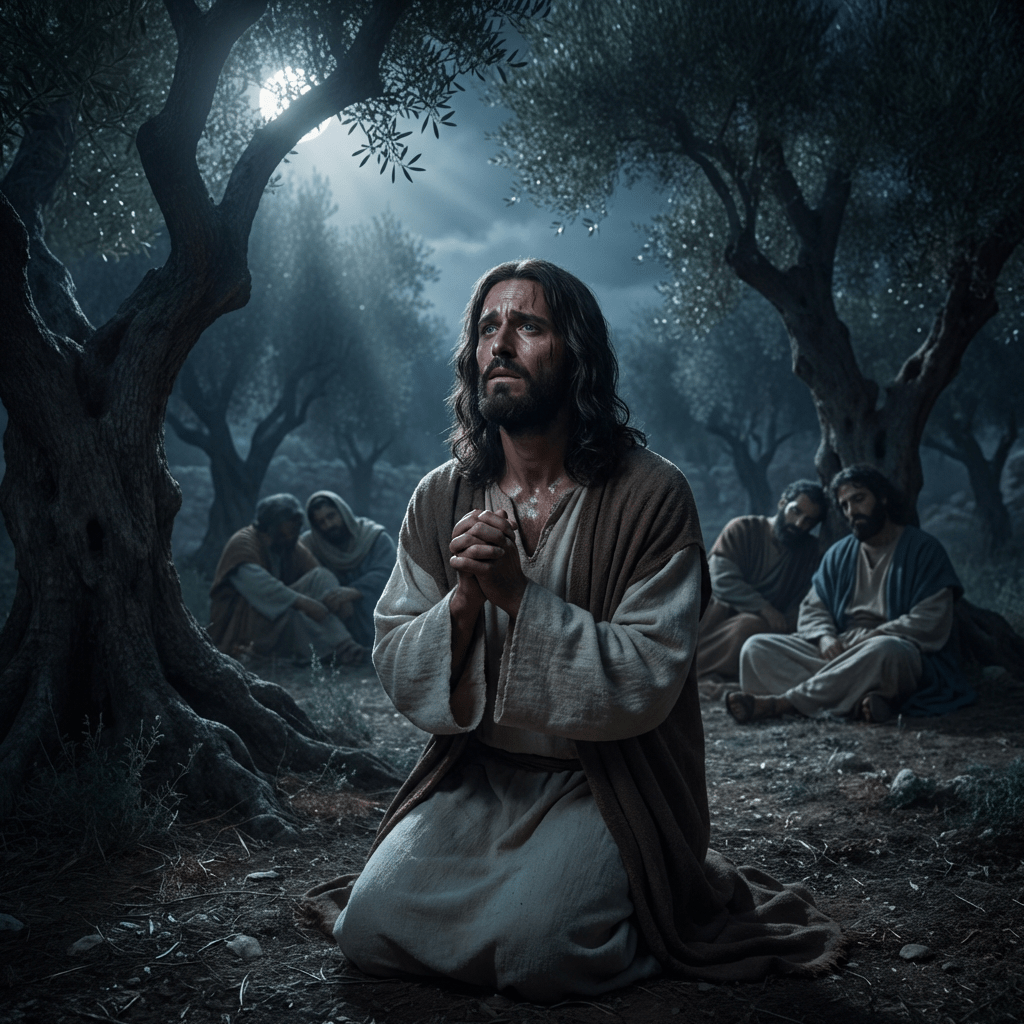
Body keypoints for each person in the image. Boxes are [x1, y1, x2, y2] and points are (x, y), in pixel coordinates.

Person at [304, 259, 841, 1000]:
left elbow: (648, 673)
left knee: (540, 957)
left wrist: (520, 596)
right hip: (482, 780)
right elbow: (396, 652)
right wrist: (464, 601)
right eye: (488, 327)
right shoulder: (441, 495)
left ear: (576, 352)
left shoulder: (650, 495)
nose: (501, 344)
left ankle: (651, 909)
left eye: (528, 325)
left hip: (606, 786)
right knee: (367, 930)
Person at [730, 465, 974, 724]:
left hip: (890, 646)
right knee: (755, 648)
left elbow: (932, 617)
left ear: (882, 498)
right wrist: (825, 637)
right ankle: (856, 699)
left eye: (859, 499)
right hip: (841, 648)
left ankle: (783, 703)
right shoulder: (839, 554)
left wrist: (877, 634)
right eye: (844, 505)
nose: (851, 511)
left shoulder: (923, 550)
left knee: (885, 652)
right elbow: (814, 607)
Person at [208, 493, 368, 664]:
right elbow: (262, 588)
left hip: (272, 613)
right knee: (293, 614)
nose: (292, 537)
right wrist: (303, 602)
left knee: (321, 577)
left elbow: (316, 572)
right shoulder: (242, 545)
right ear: (270, 529)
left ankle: (348, 642)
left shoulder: (288, 545)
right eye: (286, 532)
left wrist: (338, 599)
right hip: (244, 622)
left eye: (294, 531)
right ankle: (342, 651)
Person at [696, 480, 826, 687]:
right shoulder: (743, 528)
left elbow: (803, 599)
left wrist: (786, 624)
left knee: (753, 629)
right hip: (717, 614)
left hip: (764, 626)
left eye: (809, 521)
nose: (799, 523)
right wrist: (763, 607)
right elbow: (720, 577)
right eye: (796, 512)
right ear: (782, 503)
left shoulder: (809, 552)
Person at [300, 491, 396, 649]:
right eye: (321, 522)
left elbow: (388, 573)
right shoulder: (311, 544)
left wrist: (354, 591)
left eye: (331, 516)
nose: (328, 525)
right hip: (337, 609)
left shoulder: (374, 536)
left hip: (373, 603)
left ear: (342, 512)